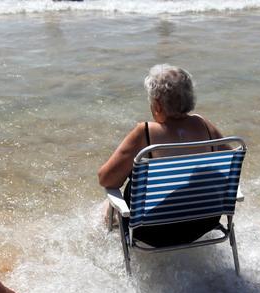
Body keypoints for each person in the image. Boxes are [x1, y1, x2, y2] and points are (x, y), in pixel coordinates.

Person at [97, 64, 230, 247]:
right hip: (203, 223)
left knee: (109, 202)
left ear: (158, 105)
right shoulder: (205, 126)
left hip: (152, 232)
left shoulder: (145, 132)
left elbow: (107, 179)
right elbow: (229, 168)